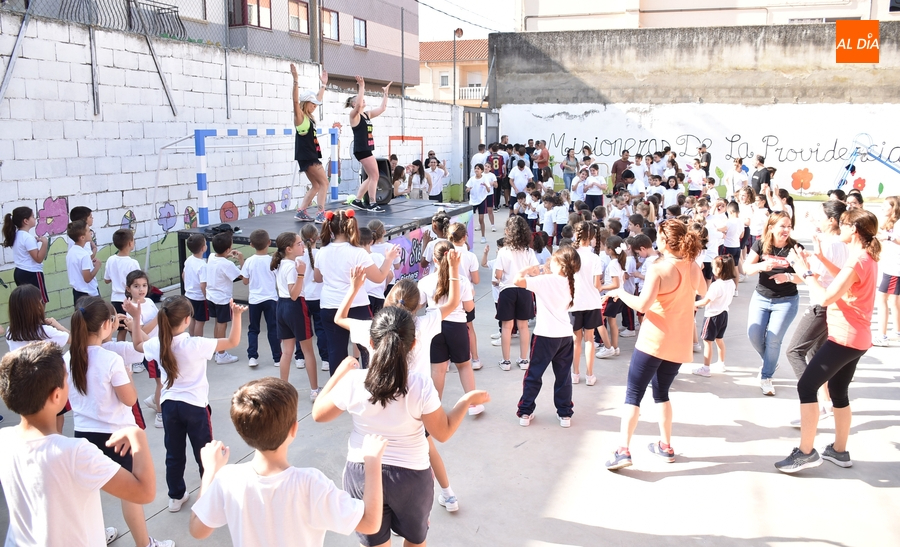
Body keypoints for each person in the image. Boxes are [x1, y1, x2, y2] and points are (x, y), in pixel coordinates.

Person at [311, 309, 490, 547]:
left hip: (362, 471)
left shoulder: (354, 381)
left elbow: (318, 414)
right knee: (415, 541)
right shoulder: (420, 385)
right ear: (413, 344)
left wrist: (340, 374)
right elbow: (443, 432)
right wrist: (465, 400)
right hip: (411, 476)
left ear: (370, 342)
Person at [189, 378, 388, 545]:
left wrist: (210, 471)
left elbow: (198, 530)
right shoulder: (311, 484)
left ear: (243, 433)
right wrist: (372, 462)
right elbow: (370, 523)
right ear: (294, 429)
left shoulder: (228, 479)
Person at [0, 342, 156, 547]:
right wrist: (138, 437)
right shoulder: (75, 453)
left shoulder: (4, 439)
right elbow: (145, 492)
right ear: (57, 395)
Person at [775, 208, 880, 473]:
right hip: (857, 338)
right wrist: (820, 257)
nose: (840, 228)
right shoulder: (865, 257)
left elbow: (824, 297)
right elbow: (846, 281)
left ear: (854, 230)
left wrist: (805, 272)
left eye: (844, 224)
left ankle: (806, 452)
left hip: (845, 338)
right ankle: (839, 451)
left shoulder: (857, 260)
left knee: (807, 388)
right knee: (838, 392)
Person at [68, 296, 175, 547]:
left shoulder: (68, 358)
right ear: (106, 325)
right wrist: (127, 376)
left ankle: (95, 536)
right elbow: (129, 400)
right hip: (118, 437)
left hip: (83, 435)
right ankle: (144, 544)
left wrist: (133, 322)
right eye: (113, 319)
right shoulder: (111, 359)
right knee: (131, 495)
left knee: (89, 493)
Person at [126, 295, 246, 512]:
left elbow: (136, 344)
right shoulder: (196, 344)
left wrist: (135, 318)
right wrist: (236, 316)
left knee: (174, 452)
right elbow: (232, 342)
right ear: (186, 321)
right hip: (196, 407)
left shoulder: (158, 343)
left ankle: (176, 496)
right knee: (204, 452)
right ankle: (210, 494)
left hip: (170, 405)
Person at [604, 220, 705, 470]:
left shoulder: (659, 267)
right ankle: (665, 445)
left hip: (653, 340)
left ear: (664, 240)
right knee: (662, 394)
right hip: (678, 343)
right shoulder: (693, 265)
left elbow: (642, 305)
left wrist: (619, 292)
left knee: (633, 395)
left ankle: (623, 450)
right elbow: (704, 290)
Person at [785, 200, 848, 425]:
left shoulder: (829, 244)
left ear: (832, 220)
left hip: (821, 304)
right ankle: (826, 402)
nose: (818, 220)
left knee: (794, 352)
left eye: (821, 216)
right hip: (834, 305)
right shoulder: (843, 242)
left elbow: (815, 278)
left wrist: (798, 268)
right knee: (814, 353)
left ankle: (812, 403)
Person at [314, 210, 398, 373]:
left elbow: (318, 277)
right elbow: (379, 277)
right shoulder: (358, 252)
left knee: (335, 352)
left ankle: (338, 392)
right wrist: (389, 259)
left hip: (329, 306)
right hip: (356, 306)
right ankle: (370, 385)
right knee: (369, 348)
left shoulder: (322, 251)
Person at [514, 246, 581, 427]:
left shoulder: (546, 280)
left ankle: (525, 412)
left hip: (544, 335)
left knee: (533, 374)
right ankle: (565, 413)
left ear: (558, 263)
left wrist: (530, 268)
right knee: (563, 376)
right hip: (564, 335)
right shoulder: (572, 282)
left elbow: (517, 280)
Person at [743, 212, 802, 396]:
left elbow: (805, 277)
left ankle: (766, 376)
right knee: (753, 334)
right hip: (761, 297)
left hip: (786, 301)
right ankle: (770, 360)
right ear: (771, 227)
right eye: (782, 226)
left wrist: (788, 276)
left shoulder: (795, 248)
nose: (786, 230)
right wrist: (761, 266)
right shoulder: (761, 244)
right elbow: (746, 268)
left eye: (789, 226)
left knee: (773, 339)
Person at [418, 241, 479, 412]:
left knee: (438, 369)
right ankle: (473, 404)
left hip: (433, 326)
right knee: (464, 364)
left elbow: (419, 304)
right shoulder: (462, 281)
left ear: (434, 260)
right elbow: (469, 308)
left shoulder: (425, 281)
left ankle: (434, 407)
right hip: (457, 326)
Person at [5, 284, 71, 433]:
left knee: (31, 417)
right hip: (49, 382)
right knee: (56, 417)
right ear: (36, 307)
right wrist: (57, 325)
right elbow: (73, 339)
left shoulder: (10, 333)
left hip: (24, 382)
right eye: (41, 301)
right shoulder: (46, 331)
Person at [269, 232, 319, 394]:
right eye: (299, 244)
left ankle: (282, 389)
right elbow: (294, 293)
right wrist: (301, 274)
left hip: (281, 306)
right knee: (307, 351)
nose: (302, 245)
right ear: (289, 249)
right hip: (295, 306)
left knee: (287, 351)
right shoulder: (292, 267)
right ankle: (314, 389)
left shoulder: (282, 263)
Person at [495, 215, 539, 371]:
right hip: (525, 289)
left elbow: (498, 275)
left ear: (508, 232)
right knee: (523, 326)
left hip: (507, 289)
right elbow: (535, 271)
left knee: (506, 327)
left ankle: (506, 361)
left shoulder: (503, 251)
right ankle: (524, 359)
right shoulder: (528, 251)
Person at [290, 64, 330, 223]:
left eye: (315, 105)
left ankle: (301, 211)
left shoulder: (309, 116)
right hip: (308, 156)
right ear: (305, 103)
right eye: (312, 104)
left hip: (306, 155)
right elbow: (295, 102)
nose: (314, 106)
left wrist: (323, 85)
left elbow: (318, 99)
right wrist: (296, 80)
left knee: (316, 185)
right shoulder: (300, 118)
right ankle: (321, 213)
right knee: (324, 182)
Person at [347, 75, 392, 212]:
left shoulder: (367, 115)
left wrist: (385, 93)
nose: (363, 101)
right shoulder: (354, 116)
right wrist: (362, 86)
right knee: (375, 176)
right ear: (354, 104)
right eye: (360, 100)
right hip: (362, 149)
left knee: (371, 176)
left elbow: (382, 108)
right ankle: (372, 203)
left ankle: (357, 200)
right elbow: (359, 104)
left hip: (366, 149)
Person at [241, 229, 281, 369]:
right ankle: (277, 358)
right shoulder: (272, 260)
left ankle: (252, 357)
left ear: (251, 245)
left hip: (254, 300)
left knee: (253, 329)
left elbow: (245, 281)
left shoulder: (249, 261)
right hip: (271, 299)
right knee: (273, 329)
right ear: (269, 243)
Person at [570, 222, 604, 385]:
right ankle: (590, 375)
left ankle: (575, 374)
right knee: (590, 339)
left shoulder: (571, 254)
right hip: (592, 302)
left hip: (575, 303)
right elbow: (597, 285)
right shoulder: (595, 258)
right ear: (591, 237)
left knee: (576, 340)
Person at [692, 255, 737, 377]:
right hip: (723, 314)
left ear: (718, 270)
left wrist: (692, 304)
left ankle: (706, 368)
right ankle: (721, 363)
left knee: (707, 342)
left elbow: (705, 301)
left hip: (712, 316)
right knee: (719, 340)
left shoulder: (716, 285)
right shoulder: (731, 283)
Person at [205, 232, 244, 364]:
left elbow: (220, 258)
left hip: (211, 296)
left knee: (218, 323)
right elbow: (243, 276)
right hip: (222, 298)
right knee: (222, 324)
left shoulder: (211, 257)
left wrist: (227, 254)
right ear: (228, 249)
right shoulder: (227, 265)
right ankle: (221, 354)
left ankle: (217, 349)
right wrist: (241, 259)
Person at [448, 222, 482, 370]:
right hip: (466, 294)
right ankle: (475, 358)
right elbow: (476, 280)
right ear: (464, 237)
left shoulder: (446, 253)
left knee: (446, 325)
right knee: (469, 327)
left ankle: (447, 360)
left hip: (449, 293)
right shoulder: (470, 256)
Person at [2, 206, 49, 302]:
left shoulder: (18, 235)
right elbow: (38, 258)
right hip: (31, 273)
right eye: (32, 216)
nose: (35, 218)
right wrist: (44, 243)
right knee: (39, 302)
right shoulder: (28, 238)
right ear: (26, 221)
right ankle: (38, 318)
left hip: (20, 272)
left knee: (27, 303)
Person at [300, 223, 330, 373]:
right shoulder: (322, 253)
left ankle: (300, 357)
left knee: (301, 330)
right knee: (321, 329)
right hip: (319, 297)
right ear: (317, 238)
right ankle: (325, 360)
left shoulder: (297, 256)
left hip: (302, 297)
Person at [106, 228, 142, 341]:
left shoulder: (111, 260)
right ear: (130, 243)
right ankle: (138, 349)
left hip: (115, 299)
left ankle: (121, 351)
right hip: (129, 300)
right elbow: (139, 282)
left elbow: (107, 280)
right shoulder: (132, 263)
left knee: (121, 329)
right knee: (134, 327)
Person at [874, 196, 900, 346]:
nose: (882, 207)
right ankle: (897, 331)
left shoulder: (898, 223)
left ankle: (882, 336)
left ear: (894, 207)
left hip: (895, 268)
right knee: (893, 300)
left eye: (886, 205)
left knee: (882, 299)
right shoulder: (891, 222)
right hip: (892, 266)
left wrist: (888, 237)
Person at [65, 220, 101, 305]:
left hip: (77, 292)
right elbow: (87, 278)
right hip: (89, 294)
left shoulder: (71, 252)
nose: (91, 233)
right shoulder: (84, 255)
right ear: (82, 237)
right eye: (88, 231)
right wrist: (97, 267)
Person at [468, 163, 495, 244]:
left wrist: (485, 186)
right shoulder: (472, 179)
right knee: (470, 220)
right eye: (475, 168)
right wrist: (468, 189)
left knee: (481, 219)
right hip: (473, 201)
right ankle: (470, 237)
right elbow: (467, 188)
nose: (476, 170)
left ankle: (483, 236)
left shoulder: (484, 179)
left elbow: (489, 190)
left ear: (481, 171)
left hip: (481, 200)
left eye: (478, 169)